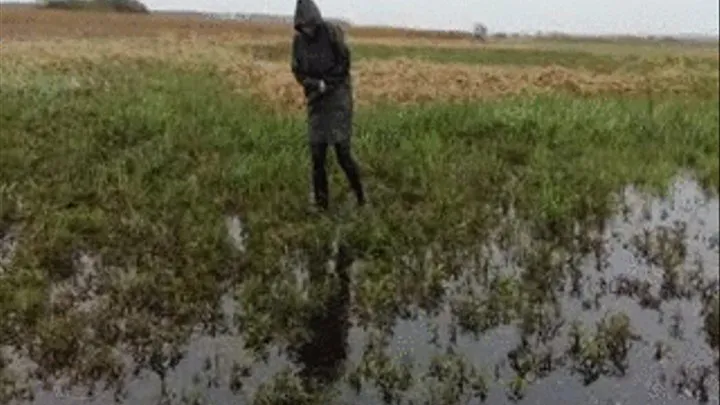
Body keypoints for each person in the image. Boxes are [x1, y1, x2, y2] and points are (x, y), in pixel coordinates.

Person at [291, 0, 366, 212]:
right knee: (317, 153)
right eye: (304, 26)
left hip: (338, 98)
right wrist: (314, 84)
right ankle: (322, 204)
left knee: (342, 152)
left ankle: (360, 195)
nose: (308, 29)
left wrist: (327, 83)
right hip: (316, 100)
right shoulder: (298, 42)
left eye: (311, 24)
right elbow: (297, 71)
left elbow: (344, 64)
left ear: (316, 19)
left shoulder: (331, 33)